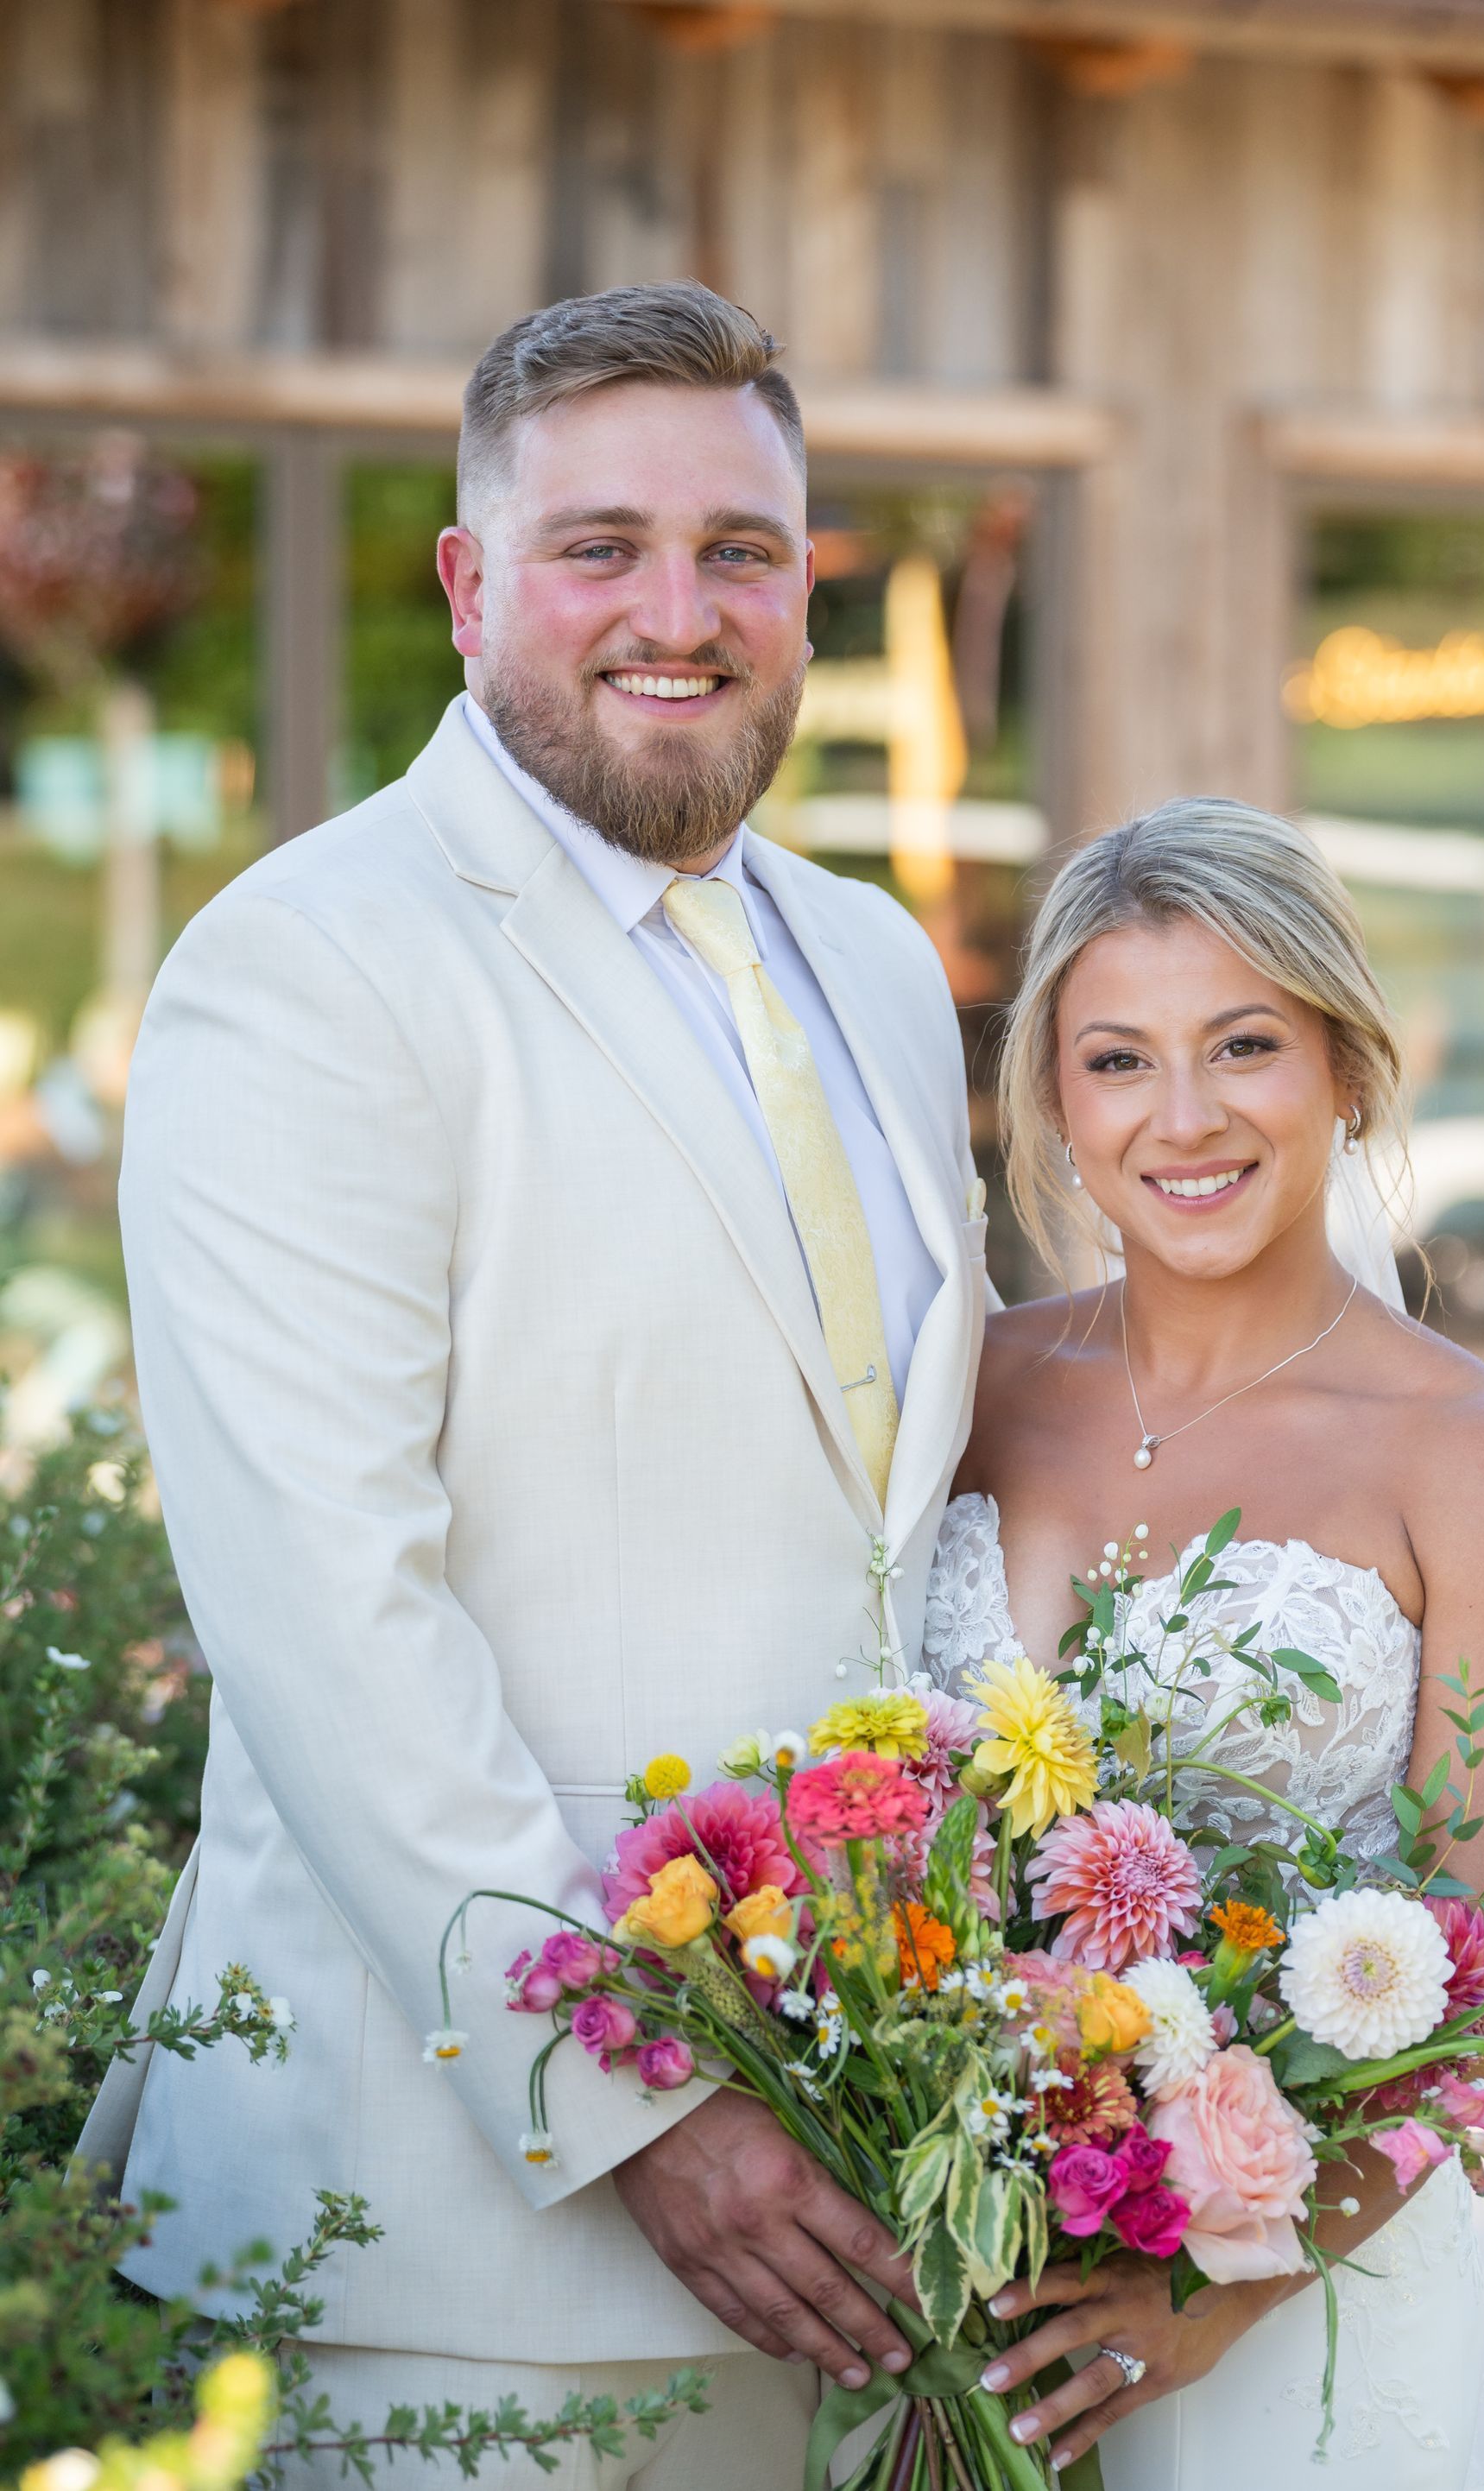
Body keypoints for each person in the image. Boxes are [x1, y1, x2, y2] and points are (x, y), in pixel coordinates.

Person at [77, 282, 991, 2488]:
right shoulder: (309, 965)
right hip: (460, 2242)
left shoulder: (871, 958)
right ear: (473, 586)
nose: (676, 613)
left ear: (803, 589)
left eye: (742, 552)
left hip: (874, 2199)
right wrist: (637, 2109)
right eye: (600, 547)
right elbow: (331, 1620)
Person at [919, 798, 1484, 2488]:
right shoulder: (966, 1401)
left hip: (1309, 2327)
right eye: (1117, 1061)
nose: (1183, 1117)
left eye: (1243, 1045)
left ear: (1350, 1071)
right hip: (975, 2295)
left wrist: (1223, 2285)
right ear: (1054, 1102)